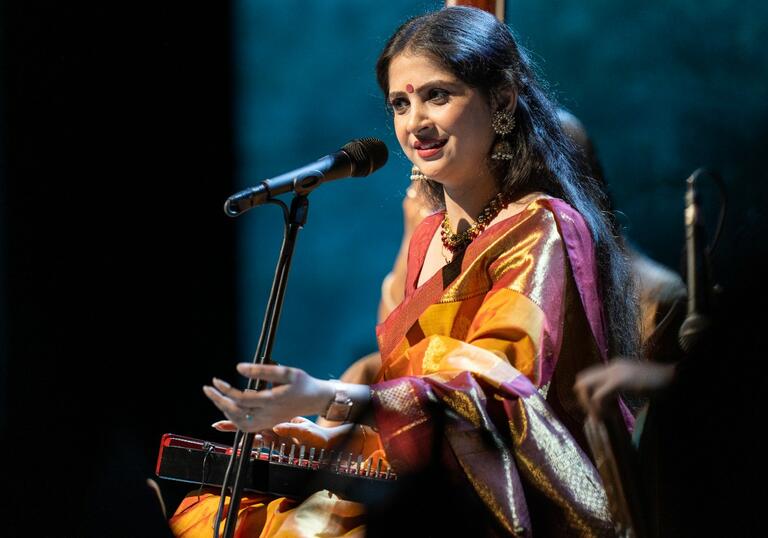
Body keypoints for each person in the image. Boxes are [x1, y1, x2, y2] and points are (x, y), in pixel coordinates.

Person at [169, 7, 640, 536]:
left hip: (501, 505)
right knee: (217, 511)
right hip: (418, 486)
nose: (415, 122)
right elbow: (413, 397)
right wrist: (328, 440)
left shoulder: (543, 228)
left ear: (502, 98)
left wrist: (331, 398)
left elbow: (493, 398)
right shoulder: (427, 237)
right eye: (400, 103)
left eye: (438, 95)